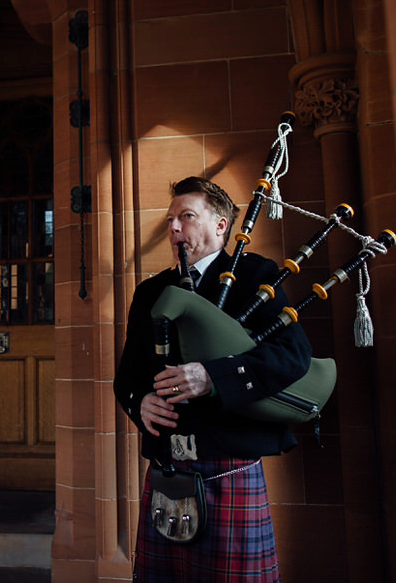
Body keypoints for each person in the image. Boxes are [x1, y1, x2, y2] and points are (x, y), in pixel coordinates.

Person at [114, 176, 312, 582]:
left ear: (220, 225)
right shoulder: (151, 291)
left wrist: (212, 377)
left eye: (186, 216)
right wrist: (141, 403)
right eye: (170, 219)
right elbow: (128, 378)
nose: (173, 228)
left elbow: (293, 357)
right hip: (168, 468)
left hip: (228, 464)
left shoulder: (258, 274)